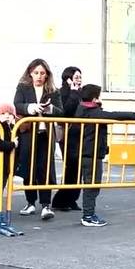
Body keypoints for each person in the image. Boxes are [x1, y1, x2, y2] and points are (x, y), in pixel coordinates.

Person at [73, 84, 135, 227]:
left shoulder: (84, 109)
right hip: (91, 153)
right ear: (94, 98)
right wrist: (132, 115)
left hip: (91, 152)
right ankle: (88, 216)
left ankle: (89, 214)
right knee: (92, 185)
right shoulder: (91, 112)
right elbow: (112, 115)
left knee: (92, 184)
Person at [14, 58, 62, 220]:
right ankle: (30, 203)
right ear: (30, 73)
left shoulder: (53, 91)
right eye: (36, 73)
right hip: (28, 134)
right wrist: (31, 107)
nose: (39, 76)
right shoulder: (23, 87)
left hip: (46, 136)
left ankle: (46, 205)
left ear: (47, 75)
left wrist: (49, 109)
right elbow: (17, 105)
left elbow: (61, 112)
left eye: (42, 73)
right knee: (29, 167)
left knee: (45, 168)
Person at [50, 66, 84, 213]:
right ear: (68, 78)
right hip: (67, 135)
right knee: (71, 166)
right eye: (76, 77)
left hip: (80, 133)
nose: (79, 79)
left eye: (80, 77)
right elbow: (66, 112)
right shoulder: (61, 93)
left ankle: (72, 199)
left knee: (78, 168)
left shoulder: (81, 92)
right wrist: (74, 92)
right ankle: (60, 200)